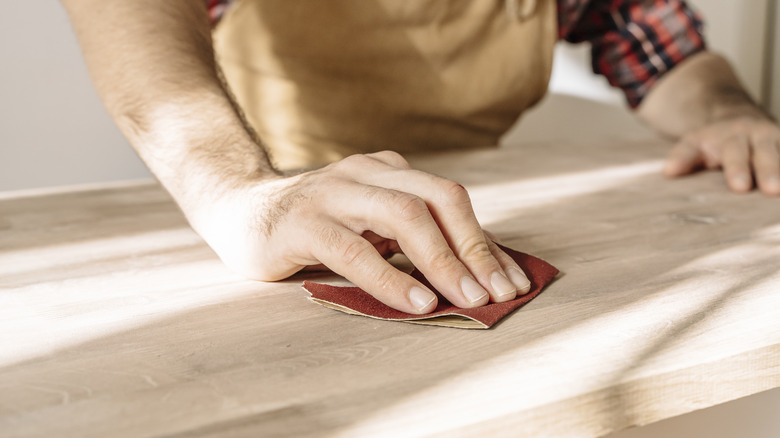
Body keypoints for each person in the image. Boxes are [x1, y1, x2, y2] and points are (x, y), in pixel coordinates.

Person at [61, 0, 779, 315]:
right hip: (254, 205)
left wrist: (728, 113)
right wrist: (237, 191)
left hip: (473, 200)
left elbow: (652, 37)